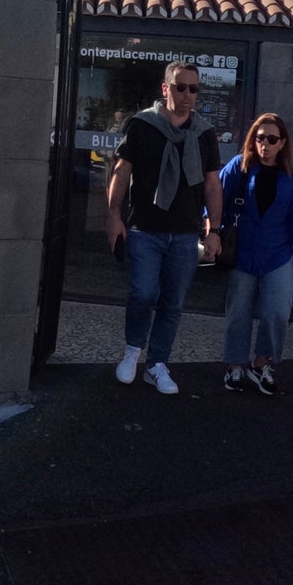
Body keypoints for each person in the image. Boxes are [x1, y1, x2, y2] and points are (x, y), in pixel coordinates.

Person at [107, 60, 223, 394]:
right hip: (145, 228)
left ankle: (157, 364)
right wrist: (114, 215)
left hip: (186, 233)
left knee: (172, 302)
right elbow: (121, 171)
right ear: (165, 89)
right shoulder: (142, 125)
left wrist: (214, 229)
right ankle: (132, 351)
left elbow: (213, 185)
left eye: (194, 89)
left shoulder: (203, 134)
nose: (188, 95)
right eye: (181, 87)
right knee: (143, 294)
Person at [216, 113, 293, 396]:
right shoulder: (240, 166)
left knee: (278, 311)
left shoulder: (291, 179)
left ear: (282, 143)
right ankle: (235, 366)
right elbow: (216, 196)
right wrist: (210, 230)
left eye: (272, 139)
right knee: (238, 313)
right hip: (243, 253)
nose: (265, 145)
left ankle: (261, 363)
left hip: (277, 254)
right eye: (260, 138)